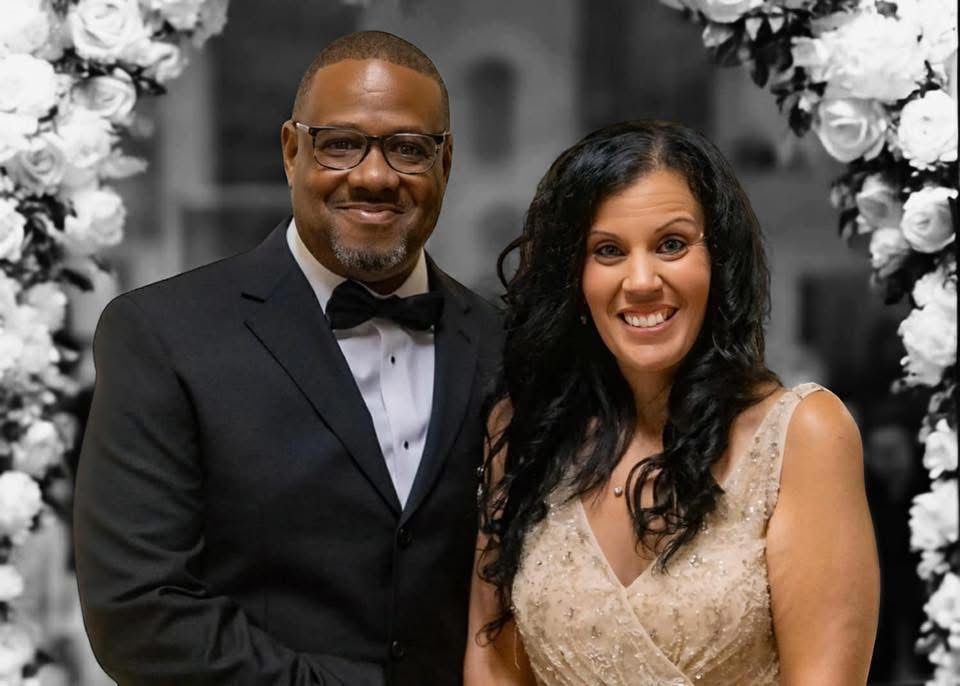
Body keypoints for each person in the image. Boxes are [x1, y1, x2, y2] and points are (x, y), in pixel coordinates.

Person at [74, 31, 501, 686]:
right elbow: (140, 612)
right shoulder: (162, 335)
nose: (375, 176)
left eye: (408, 148)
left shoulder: (506, 345)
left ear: (445, 163)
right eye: (341, 144)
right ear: (291, 151)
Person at [464, 120, 879, 685]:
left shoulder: (802, 435)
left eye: (672, 245)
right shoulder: (523, 431)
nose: (641, 280)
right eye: (608, 250)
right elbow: (492, 663)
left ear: (718, 262)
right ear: (575, 278)